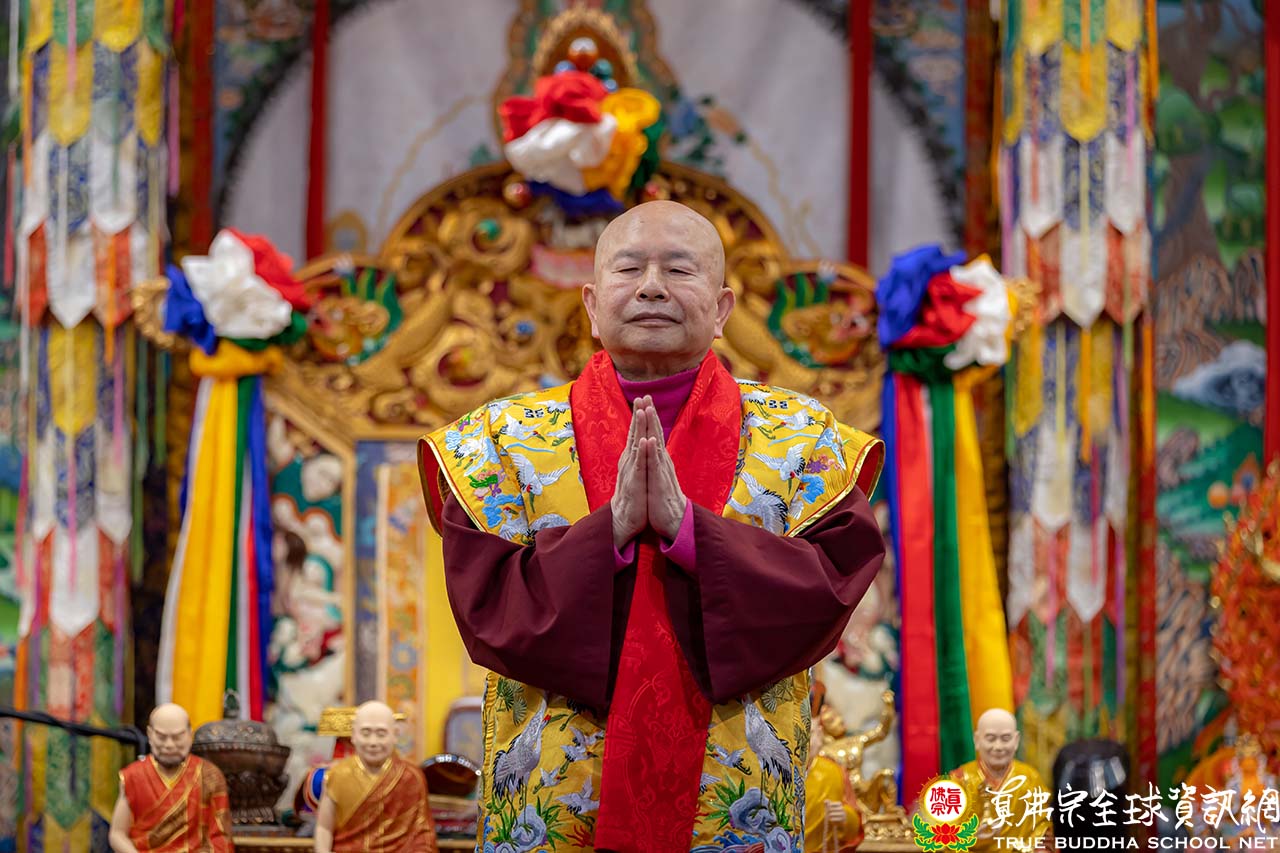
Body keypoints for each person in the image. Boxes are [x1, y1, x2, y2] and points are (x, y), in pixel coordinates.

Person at [418, 200, 887, 852]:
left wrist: (689, 532)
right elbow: (487, 605)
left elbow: (827, 588)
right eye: (629, 267)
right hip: (556, 808)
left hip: (733, 811)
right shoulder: (501, 441)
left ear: (722, 309)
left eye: (679, 269)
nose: (651, 286)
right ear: (590, 304)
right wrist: (607, 534)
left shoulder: (803, 440)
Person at [314, 701, 438, 852]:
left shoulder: (410, 777)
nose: (373, 742)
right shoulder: (337, 775)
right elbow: (324, 827)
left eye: (381, 734)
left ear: (395, 735)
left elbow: (422, 834)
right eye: (365, 733)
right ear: (354, 735)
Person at [108, 704, 232, 853]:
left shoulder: (209, 776)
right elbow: (117, 834)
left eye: (177, 737)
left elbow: (220, 838)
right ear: (150, 734)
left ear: (189, 735)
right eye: (161, 737)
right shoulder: (133, 776)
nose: (169, 745)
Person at [949, 709, 1051, 853]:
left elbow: (1043, 831)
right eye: (990, 739)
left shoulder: (1030, 779)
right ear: (977, 740)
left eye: (1005, 739)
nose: (998, 747)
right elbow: (943, 837)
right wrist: (970, 837)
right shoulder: (959, 780)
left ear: (1016, 741)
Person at [804, 682, 864, 852]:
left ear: (820, 735)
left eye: (811, 734)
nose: (807, 743)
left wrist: (845, 816)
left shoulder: (833, 771)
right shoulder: (776, 771)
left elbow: (855, 825)